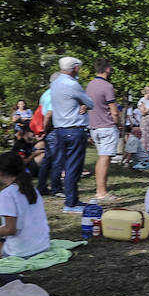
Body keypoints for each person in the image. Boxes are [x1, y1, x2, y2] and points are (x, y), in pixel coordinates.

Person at [0, 151, 51, 259]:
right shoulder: (32, 189)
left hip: (21, 252)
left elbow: (10, 230)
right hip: (42, 246)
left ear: (0, 172)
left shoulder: (7, 194)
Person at [49, 56, 94, 213]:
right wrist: (82, 104)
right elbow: (90, 103)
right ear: (75, 68)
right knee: (73, 167)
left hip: (60, 129)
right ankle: (71, 203)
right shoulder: (72, 84)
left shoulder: (55, 83)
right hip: (74, 129)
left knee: (66, 165)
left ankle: (72, 199)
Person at [85, 57, 122, 205]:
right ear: (107, 69)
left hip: (94, 127)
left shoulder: (90, 85)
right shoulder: (107, 86)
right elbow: (114, 111)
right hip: (107, 127)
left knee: (102, 158)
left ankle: (100, 189)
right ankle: (101, 192)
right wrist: (118, 124)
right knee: (104, 159)